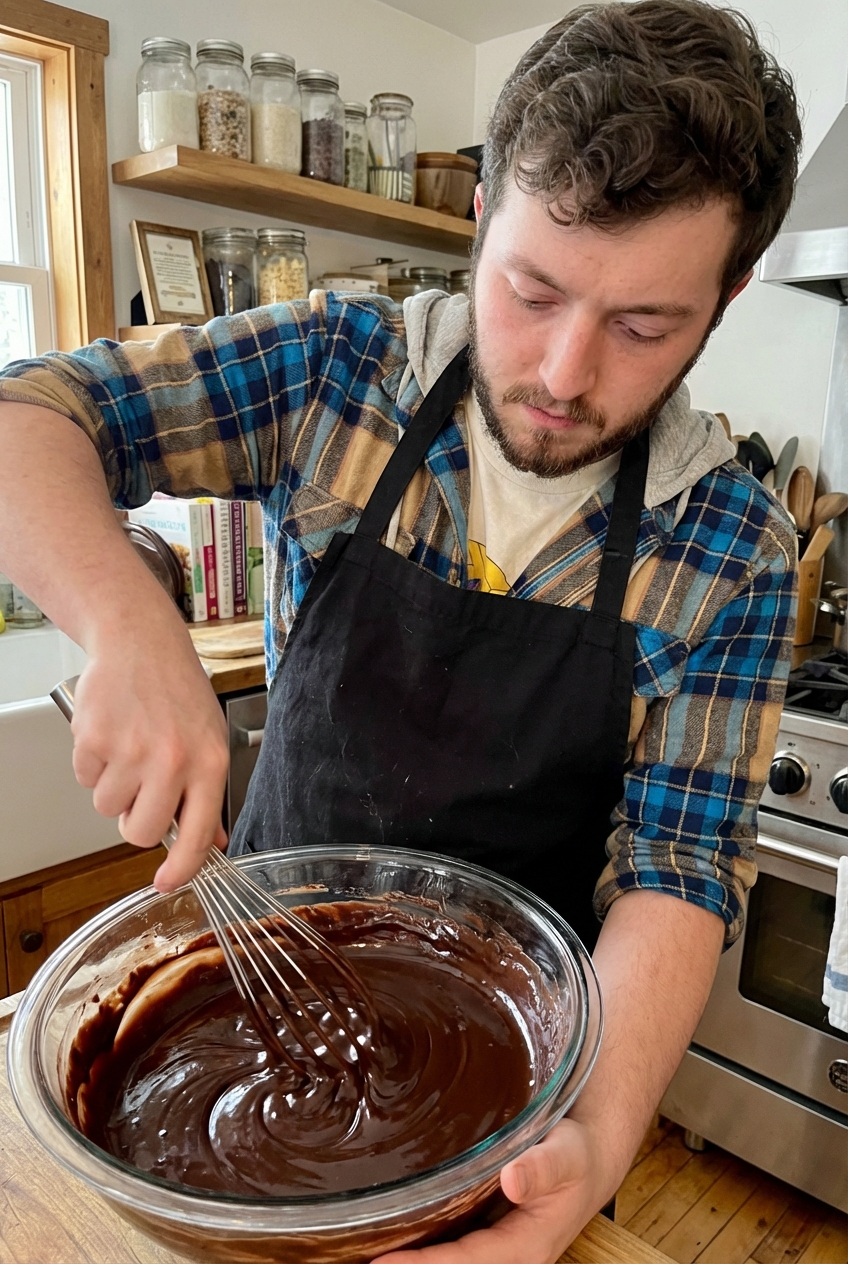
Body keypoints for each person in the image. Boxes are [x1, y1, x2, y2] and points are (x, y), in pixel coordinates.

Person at [0, 1, 800, 1259]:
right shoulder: (334, 369)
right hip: (260, 1009)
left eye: (641, 326)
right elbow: (26, 414)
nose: (561, 372)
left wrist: (583, 1165)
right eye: (530, 291)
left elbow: (676, 869)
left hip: (524, 1098)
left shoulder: (734, 545)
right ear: (480, 218)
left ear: (728, 295)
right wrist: (121, 620)